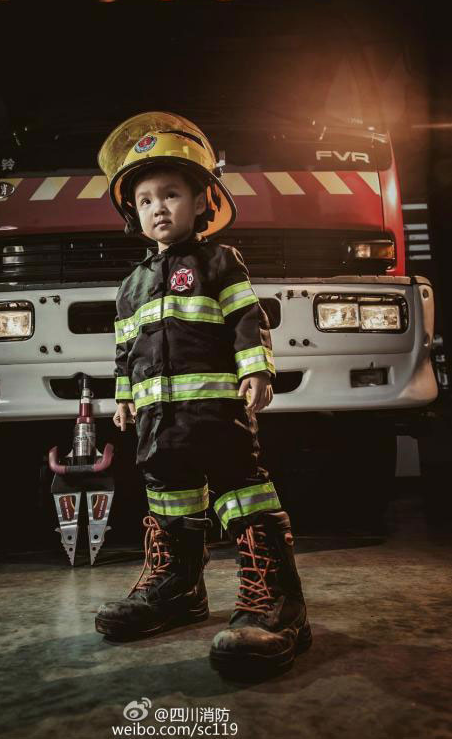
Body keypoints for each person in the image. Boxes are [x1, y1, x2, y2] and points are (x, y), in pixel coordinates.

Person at [95, 112, 311, 677]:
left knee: (243, 495)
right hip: (157, 424)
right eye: (144, 200)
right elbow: (125, 351)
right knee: (168, 498)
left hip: (216, 416)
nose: (158, 207)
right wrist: (122, 397)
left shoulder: (220, 261)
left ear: (201, 203)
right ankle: (178, 590)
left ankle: (275, 601)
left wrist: (257, 369)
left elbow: (247, 318)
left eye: (171, 194)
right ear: (133, 214)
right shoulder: (129, 287)